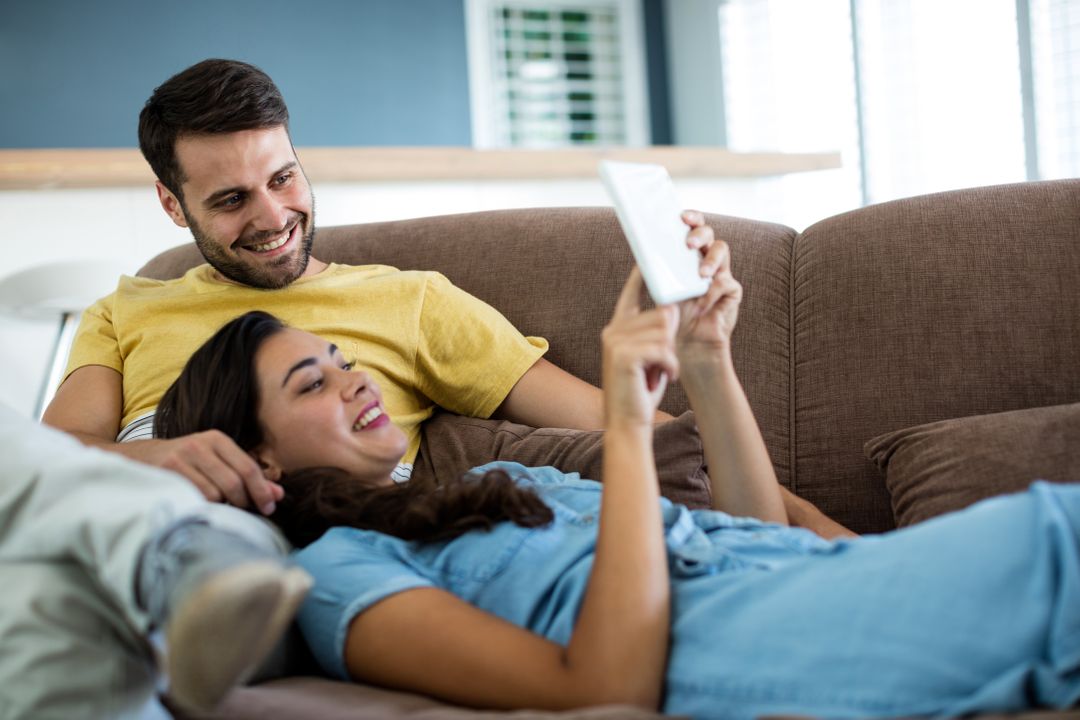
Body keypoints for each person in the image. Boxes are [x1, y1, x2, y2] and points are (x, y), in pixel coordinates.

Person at [156, 246, 1080, 718]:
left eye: (339, 358)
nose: (354, 377)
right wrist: (629, 427)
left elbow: (772, 541)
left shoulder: (500, 475)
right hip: (746, 646)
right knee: (1059, 542)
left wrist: (707, 364)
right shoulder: (340, 577)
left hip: (799, 588)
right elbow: (603, 687)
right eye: (310, 383)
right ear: (257, 453)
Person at [40, 57, 842, 537]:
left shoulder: (413, 303)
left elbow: (638, 430)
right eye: (229, 201)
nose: (273, 218)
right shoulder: (127, 309)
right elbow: (48, 457)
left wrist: (829, 533)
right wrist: (146, 457)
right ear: (172, 207)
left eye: (283, 178)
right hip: (122, 521)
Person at [0, 401, 312, 718]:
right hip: (133, 485)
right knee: (42, 591)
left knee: (45, 589)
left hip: (222, 511)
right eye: (313, 383)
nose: (357, 379)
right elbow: (61, 437)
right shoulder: (114, 349)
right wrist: (148, 454)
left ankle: (184, 556)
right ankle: (183, 558)